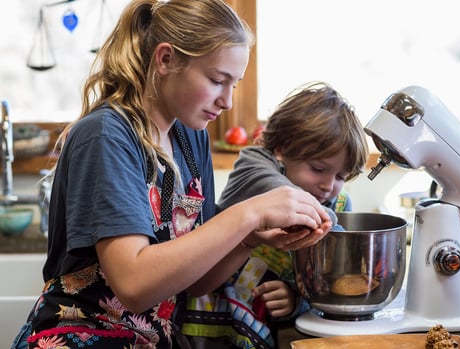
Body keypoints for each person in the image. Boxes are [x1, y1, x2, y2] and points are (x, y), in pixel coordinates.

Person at [10, 1, 333, 348]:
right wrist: (249, 212)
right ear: (166, 60)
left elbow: (194, 282)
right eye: (216, 80)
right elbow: (134, 286)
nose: (226, 101)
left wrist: (250, 237)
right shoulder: (107, 135)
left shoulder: (192, 137)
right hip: (83, 337)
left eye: (234, 85)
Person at [182, 82, 369, 348]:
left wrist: (295, 298)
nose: (329, 185)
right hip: (210, 323)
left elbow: (324, 282)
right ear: (281, 149)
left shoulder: (336, 204)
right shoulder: (253, 168)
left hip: (264, 329)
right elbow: (282, 195)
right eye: (317, 168)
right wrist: (337, 235)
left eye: (341, 176)